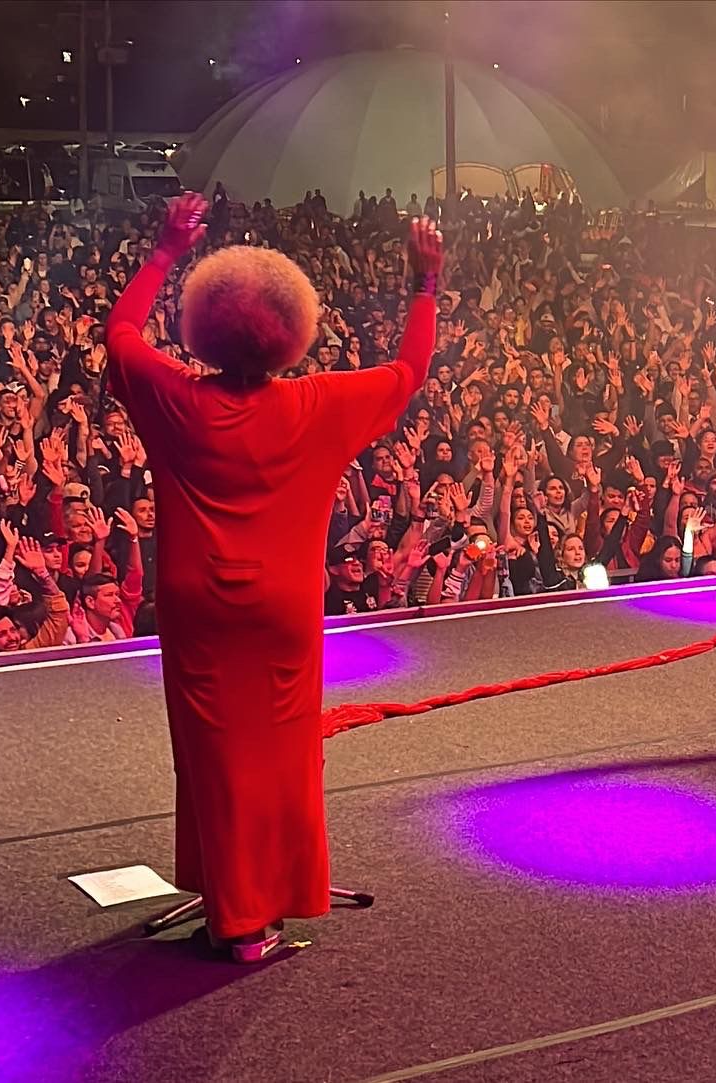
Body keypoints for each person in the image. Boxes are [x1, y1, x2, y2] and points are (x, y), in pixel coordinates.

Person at [104, 193, 441, 962]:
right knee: (283, 755)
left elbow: (120, 335)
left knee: (214, 757)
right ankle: (262, 909)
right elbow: (410, 368)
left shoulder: (175, 399)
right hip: (284, 609)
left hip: (197, 606)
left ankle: (235, 908)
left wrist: (164, 250)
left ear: (205, 324)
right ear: (292, 331)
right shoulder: (319, 404)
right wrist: (424, 284)